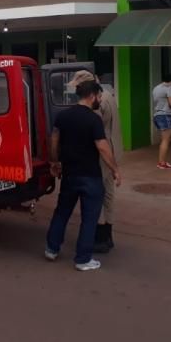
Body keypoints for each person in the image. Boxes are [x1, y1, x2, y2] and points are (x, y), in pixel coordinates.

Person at [45, 80, 121, 272]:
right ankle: (83, 259)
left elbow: (54, 140)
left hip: (69, 175)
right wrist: (115, 169)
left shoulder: (63, 116)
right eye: (100, 97)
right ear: (92, 96)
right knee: (89, 218)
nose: (100, 100)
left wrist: (54, 162)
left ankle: (51, 249)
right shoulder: (93, 119)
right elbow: (102, 147)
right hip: (90, 177)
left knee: (62, 212)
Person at [68, 70, 122, 253]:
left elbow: (93, 129)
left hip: (102, 154)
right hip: (113, 150)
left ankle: (100, 238)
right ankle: (108, 236)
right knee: (109, 196)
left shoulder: (99, 101)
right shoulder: (109, 95)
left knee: (97, 195)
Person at [153, 74, 171, 170]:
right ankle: (162, 163)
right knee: (166, 140)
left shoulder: (156, 88)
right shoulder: (168, 88)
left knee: (164, 139)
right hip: (165, 115)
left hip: (157, 115)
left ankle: (161, 161)